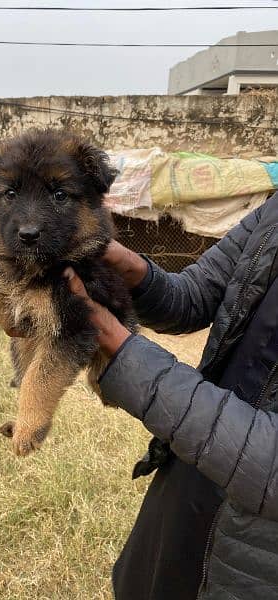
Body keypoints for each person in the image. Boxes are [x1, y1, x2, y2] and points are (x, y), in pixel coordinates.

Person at [64, 191, 278, 600]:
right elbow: (196, 294)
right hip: (193, 474)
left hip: (258, 558)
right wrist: (124, 266)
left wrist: (118, 348)